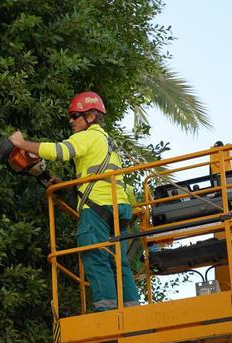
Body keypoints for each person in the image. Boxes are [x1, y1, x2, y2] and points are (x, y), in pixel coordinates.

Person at [9, 91, 140, 311]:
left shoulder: (89, 136)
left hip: (96, 209)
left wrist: (22, 144)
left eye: (75, 116)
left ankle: (107, 314)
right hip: (118, 208)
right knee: (119, 263)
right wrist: (67, 185)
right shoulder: (107, 141)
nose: (71, 121)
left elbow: (61, 151)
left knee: (95, 257)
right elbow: (95, 177)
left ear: (90, 117)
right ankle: (134, 312)